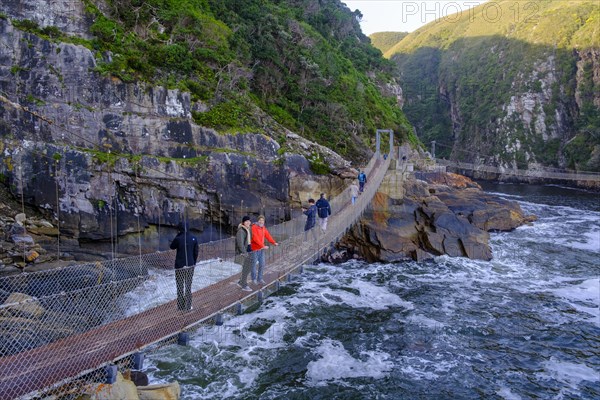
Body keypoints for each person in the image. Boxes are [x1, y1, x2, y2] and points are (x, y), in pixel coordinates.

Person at [170, 222, 199, 311]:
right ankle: (188, 306)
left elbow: (172, 246)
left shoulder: (178, 238)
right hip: (190, 265)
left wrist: (178, 235)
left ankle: (180, 306)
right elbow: (196, 252)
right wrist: (193, 262)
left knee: (180, 286)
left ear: (180, 229)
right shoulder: (194, 238)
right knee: (188, 286)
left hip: (179, 266)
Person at [250, 215, 278, 285]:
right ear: (258, 220)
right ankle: (254, 279)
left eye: (262, 220)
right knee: (253, 265)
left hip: (261, 249)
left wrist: (274, 242)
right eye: (260, 220)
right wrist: (262, 245)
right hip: (254, 249)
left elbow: (268, 235)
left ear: (264, 221)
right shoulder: (253, 227)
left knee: (262, 264)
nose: (261, 221)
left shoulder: (263, 228)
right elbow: (255, 238)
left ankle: (260, 279)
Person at [235, 215, 253, 291]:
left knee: (248, 267)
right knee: (247, 267)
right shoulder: (241, 231)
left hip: (248, 249)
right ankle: (243, 284)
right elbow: (240, 243)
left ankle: (241, 282)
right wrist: (244, 253)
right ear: (243, 222)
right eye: (246, 221)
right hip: (244, 251)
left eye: (249, 221)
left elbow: (249, 241)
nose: (248, 222)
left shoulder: (248, 229)